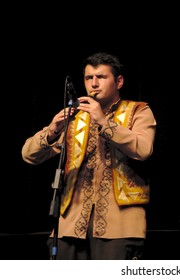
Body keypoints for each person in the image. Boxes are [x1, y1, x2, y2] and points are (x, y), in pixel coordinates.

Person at [21, 52, 157, 260]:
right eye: (88, 78)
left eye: (101, 77)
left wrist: (103, 121)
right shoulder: (75, 118)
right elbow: (29, 155)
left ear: (119, 81)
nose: (94, 84)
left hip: (119, 226)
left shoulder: (138, 110)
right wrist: (52, 131)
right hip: (70, 224)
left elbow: (143, 149)